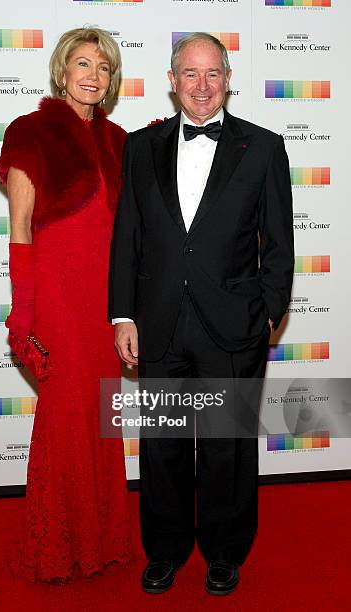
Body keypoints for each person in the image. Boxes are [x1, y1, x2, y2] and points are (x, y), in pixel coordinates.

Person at [109, 32, 294, 595]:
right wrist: (123, 315)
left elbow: (279, 244)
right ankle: (164, 550)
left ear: (228, 79)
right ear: (172, 81)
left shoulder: (262, 147)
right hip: (159, 323)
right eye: (190, 74)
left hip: (232, 326)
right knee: (162, 447)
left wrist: (267, 313)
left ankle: (224, 551)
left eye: (213, 73)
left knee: (225, 448)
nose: (202, 86)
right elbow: (128, 238)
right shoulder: (141, 149)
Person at [0, 27, 133, 583]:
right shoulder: (31, 131)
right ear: (61, 69)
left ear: (111, 79)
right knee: (66, 413)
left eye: (103, 67)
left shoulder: (119, 140)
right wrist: (23, 313)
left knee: (102, 414)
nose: (92, 76)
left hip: (105, 298)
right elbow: (21, 226)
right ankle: (55, 547)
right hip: (57, 293)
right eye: (82, 63)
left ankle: (97, 541)